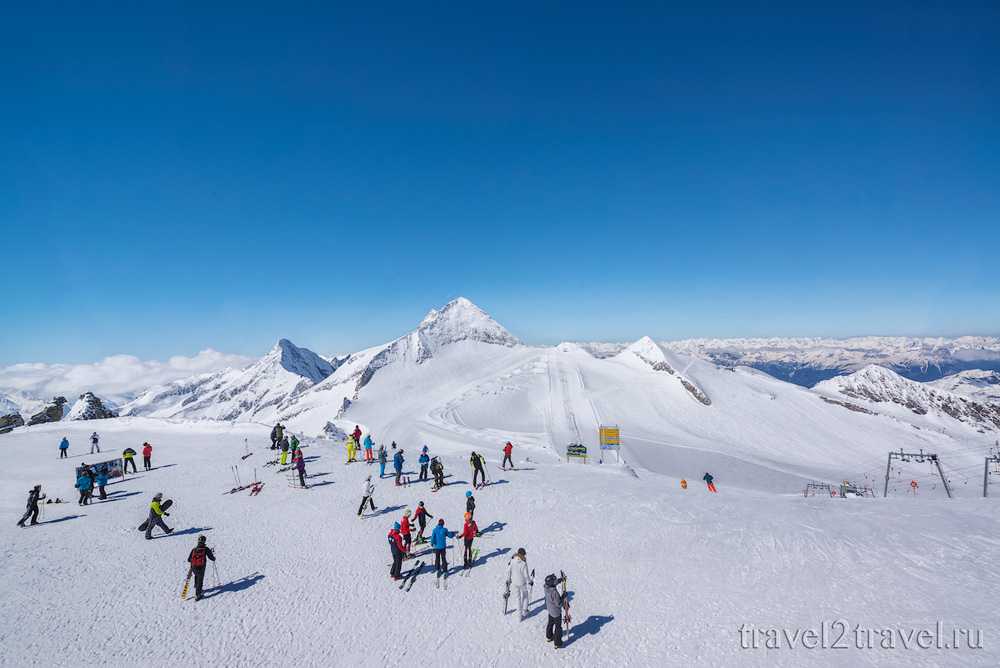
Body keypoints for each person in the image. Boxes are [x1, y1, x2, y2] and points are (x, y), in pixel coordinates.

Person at [187, 535, 216, 601]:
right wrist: (214, 558)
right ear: (204, 541)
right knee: (200, 580)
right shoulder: (206, 549)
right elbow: (211, 558)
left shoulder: (194, 549)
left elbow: (189, 559)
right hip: (201, 567)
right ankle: (198, 595)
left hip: (193, 567)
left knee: (196, 576)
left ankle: (196, 586)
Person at [544, 573, 568, 648]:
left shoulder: (546, 587)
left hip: (550, 610)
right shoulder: (554, 593)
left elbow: (553, 583)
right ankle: (557, 643)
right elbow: (559, 604)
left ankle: (549, 636)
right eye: (554, 581)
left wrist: (561, 580)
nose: (555, 582)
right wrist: (563, 596)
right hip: (556, 613)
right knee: (558, 627)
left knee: (550, 623)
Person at [507, 548, 532, 620]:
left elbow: (508, 570)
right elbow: (526, 575)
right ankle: (525, 609)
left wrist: (509, 579)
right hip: (522, 582)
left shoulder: (512, 560)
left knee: (518, 599)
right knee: (525, 595)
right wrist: (530, 581)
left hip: (514, 582)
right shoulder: (524, 563)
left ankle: (519, 617)